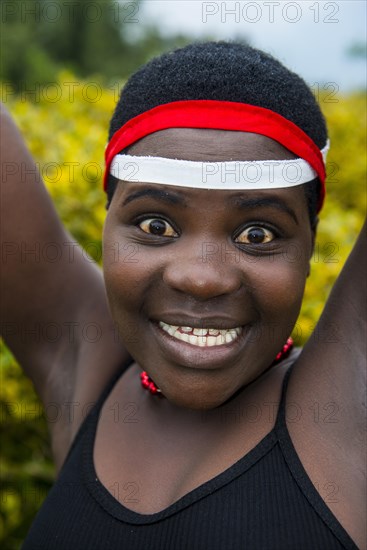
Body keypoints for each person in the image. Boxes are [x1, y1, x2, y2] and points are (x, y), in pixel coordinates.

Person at [1, 42, 365, 550]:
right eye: (156, 224)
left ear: (309, 249)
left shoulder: (347, 413)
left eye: (257, 234)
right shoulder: (85, 370)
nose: (202, 278)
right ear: (106, 229)